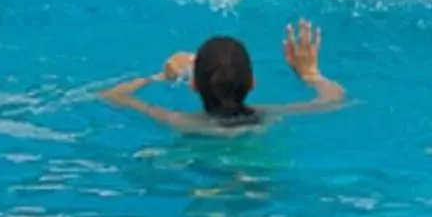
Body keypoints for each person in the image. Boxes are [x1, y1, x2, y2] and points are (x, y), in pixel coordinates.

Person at [98, 21, 345, 134]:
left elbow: (111, 95)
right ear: (253, 83)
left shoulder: (179, 121)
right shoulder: (270, 116)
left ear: (193, 85)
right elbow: (334, 98)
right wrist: (310, 73)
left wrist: (159, 76)